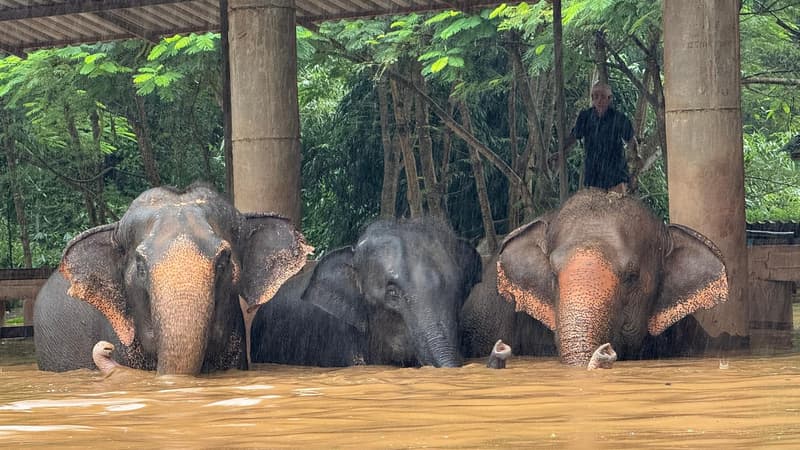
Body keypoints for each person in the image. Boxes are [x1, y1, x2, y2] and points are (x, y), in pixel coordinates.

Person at [563, 82, 639, 193]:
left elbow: (631, 140)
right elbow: (574, 136)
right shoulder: (585, 117)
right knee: (597, 207)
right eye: (596, 96)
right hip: (594, 175)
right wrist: (561, 152)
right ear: (592, 98)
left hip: (616, 174)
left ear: (609, 99)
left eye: (603, 97)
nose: (599, 100)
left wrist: (636, 157)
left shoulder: (619, 118)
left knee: (617, 207)